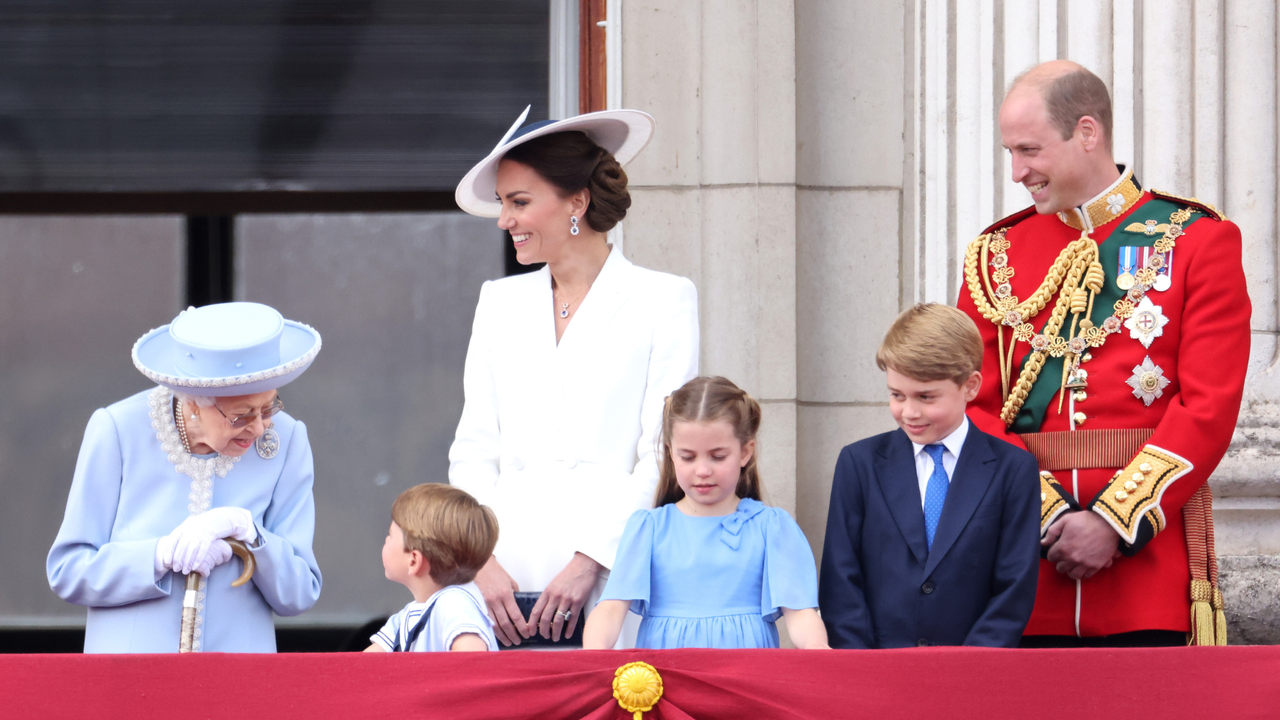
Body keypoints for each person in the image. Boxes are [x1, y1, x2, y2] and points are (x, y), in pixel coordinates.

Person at [957, 60, 1251, 646]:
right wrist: (1050, 516)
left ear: (1086, 133)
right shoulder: (995, 255)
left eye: (1029, 150)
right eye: (1009, 152)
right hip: (1026, 567)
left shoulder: (1196, 239)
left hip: (1145, 575)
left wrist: (1115, 523)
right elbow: (967, 403)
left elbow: (1208, 408)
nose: (1017, 172)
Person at [449, 107, 700, 648]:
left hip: (615, 575)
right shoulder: (499, 301)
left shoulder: (664, 299)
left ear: (577, 203)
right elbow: (474, 448)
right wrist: (480, 563)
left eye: (519, 203)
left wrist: (594, 559)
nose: (504, 220)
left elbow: (661, 452)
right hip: (502, 579)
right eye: (502, 204)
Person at [47, 302, 324, 653]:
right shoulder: (117, 430)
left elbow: (300, 593)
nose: (258, 428)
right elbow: (68, 571)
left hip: (237, 687)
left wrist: (251, 535)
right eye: (241, 416)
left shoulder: (287, 440)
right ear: (193, 402)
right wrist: (159, 556)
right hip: (129, 683)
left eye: (269, 407)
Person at [818, 304, 1040, 648]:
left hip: (971, 674)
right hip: (877, 671)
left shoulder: (1014, 469)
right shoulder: (858, 463)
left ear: (970, 386)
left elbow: (1014, 586)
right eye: (896, 395)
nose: (909, 412)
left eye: (925, 397)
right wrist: (860, 664)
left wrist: (968, 667)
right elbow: (841, 577)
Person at [582, 376, 829, 650]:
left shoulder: (772, 527)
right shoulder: (648, 528)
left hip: (745, 676)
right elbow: (610, 609)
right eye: (688, 457)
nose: (702, 470)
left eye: (718, 456)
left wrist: (820, 654)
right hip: (665, 679)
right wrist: (593, 660)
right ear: (671, 454)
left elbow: (802, 615)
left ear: (746, 452)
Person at [365, 483, 499, 653]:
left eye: (390, 534)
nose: (385, 540)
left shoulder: (454, 603)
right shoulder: (406, 617)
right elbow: (363, 665)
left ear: (413, 561)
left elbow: (471, 656)